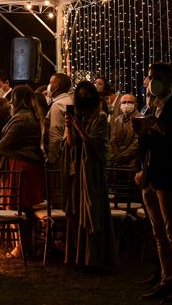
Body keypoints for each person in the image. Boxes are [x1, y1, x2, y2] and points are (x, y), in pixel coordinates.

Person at [135, 63, 172, 301]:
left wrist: (155, 126)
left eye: (157, 77)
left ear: (169, 79)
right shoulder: (152, 107)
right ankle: (166, 278)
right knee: (159, 234)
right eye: (150, 77)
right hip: (151, 177)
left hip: (169, 177)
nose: (152, 82)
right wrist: (140, 167)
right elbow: (145, 145)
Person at [62, 80, 117, 272]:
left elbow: (94, 143)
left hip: (92, 172)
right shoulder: (77, 116)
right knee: (76, 212)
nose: (84, 99)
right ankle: (77, 257)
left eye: (87, 95)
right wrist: (69, 126)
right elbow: (70, 143)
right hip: (76, 171)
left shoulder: (100, 117)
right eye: (80, 96)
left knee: (92, 211)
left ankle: (94, 258)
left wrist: (78, 127)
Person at [0, 85, 45, 258]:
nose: (10, 101)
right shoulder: (28, 116)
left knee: (19, 208)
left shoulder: (23, 119)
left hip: (22, 166)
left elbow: (6, 142)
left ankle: (21, 247)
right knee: (22, 209)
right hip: (23, 164)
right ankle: (23, 246)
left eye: (12, 98)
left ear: (18, 99)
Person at [43, 72, 72, 169]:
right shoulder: (69, 100)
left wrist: (52, 159)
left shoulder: (58, 105)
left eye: (51, 83)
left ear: (57, 86)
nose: (49, 86)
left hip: (60, 157)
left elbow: (55, 134)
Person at [109, 94, 140, 168]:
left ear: (135, 105)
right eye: (124, 102)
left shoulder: (140, 119)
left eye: (130, 102)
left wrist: (121, 156)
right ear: (120, 105)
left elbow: (136, 143)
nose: (126, 104)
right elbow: (113, 140)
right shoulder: (117, 120)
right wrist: (117, 155)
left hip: (133, 161)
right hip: (117, 159)